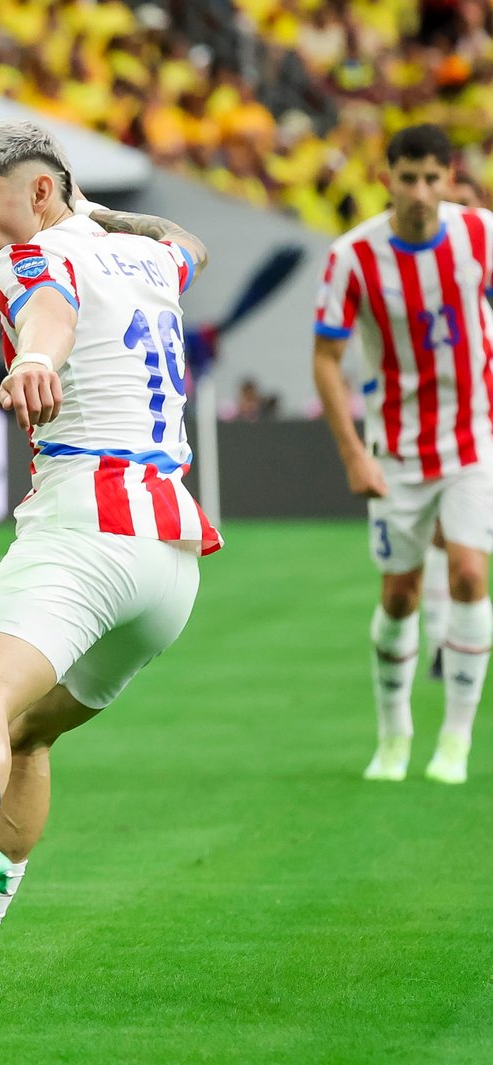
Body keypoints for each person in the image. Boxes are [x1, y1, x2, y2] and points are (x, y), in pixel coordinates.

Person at [0, 121, 218, 991]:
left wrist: (33, 356)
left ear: (36, 194)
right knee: (22, 734)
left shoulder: (27, 258)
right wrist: (92, 206)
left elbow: (47, 313)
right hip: (170, 560)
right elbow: (190, 244)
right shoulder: (146, 260)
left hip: (87, 529)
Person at [311, 124, 493, 786]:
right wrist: (354, 452)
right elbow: (326, 360)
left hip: (473, 439)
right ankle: (394, 736)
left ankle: (456, 738)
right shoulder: (353, 256)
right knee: (400, 595)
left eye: (432, 178)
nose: (420, 191)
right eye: (407, 177)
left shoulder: (481, 235)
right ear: (386, 178)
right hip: (396, 451)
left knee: (471, 574)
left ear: (449, 179)